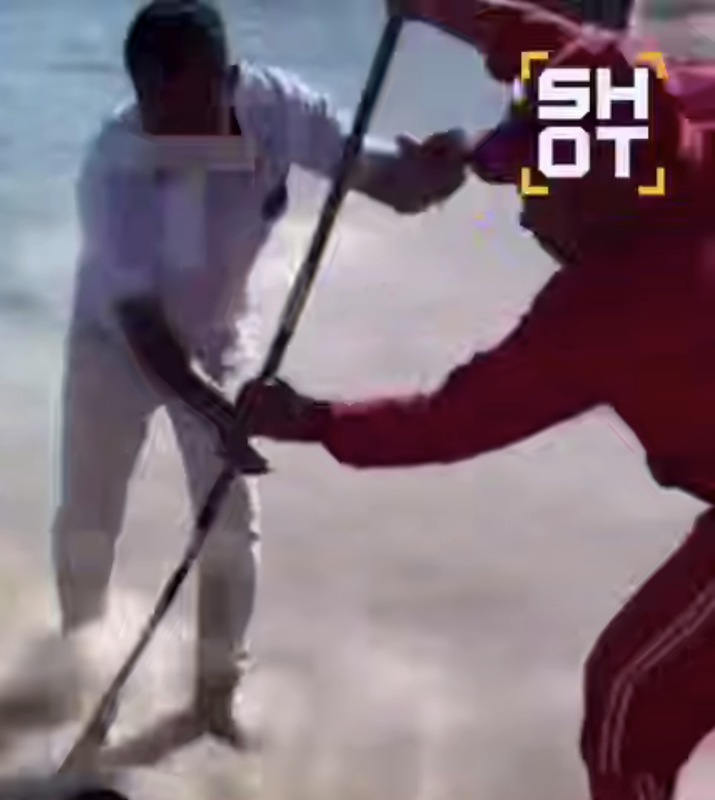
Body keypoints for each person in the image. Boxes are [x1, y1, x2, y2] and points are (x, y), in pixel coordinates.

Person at [239, 0, 715, 797]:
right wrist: (441, 12)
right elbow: (566, 49)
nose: (522, 212)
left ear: (598, 189)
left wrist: (315, 421)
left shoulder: (613, 307)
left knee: (628, 704)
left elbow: (452, 422)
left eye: (537, 181)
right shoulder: (681, 110)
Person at [52, 0, 469, 749]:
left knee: (230, 523)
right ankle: (82, 680)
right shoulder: (114, 166)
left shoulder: (279, 109)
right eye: (158, 114)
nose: (175, 134)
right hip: (113, 347)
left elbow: (387, 182)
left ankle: (212, 701)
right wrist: (219, 412)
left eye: (189, 110)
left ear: (227, 77)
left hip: (216, 338)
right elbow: (144, 328)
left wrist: (444, 167)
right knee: (89, 517)